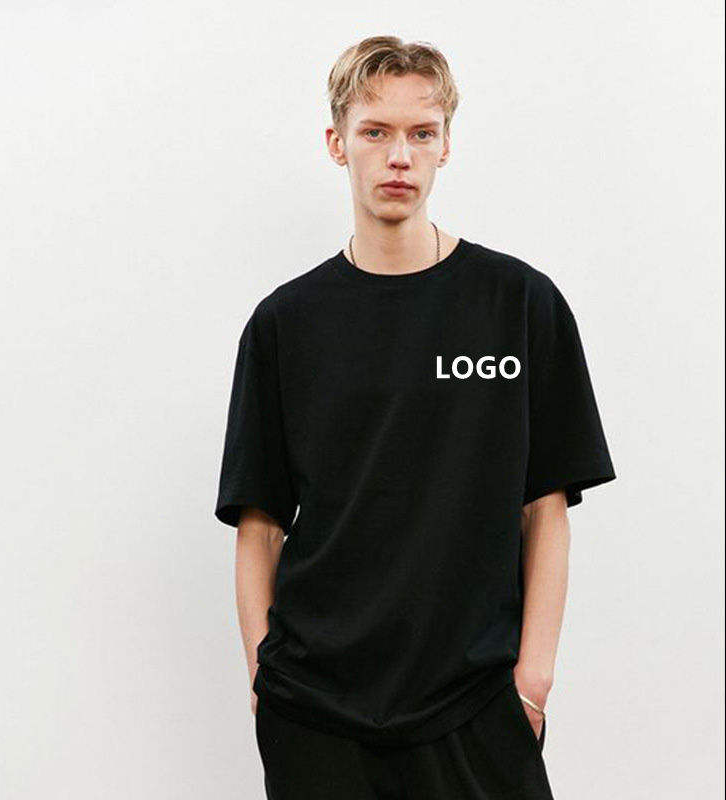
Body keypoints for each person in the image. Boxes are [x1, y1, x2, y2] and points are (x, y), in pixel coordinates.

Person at [214, 35, 616, 800]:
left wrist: (532, 681)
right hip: (316, 709)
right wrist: (265, 680)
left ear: (446, 145)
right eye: (376, 131)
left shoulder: (518, 305)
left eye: (421, 133)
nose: (399, 156)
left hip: (476, 700)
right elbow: (259, 524)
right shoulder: (285, 323)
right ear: (337, 143)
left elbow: (546, 507)